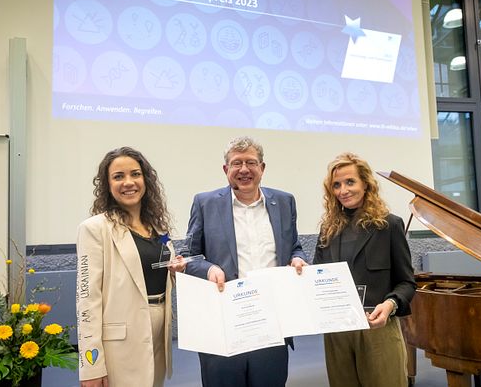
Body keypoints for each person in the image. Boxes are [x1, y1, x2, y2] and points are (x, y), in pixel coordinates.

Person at [185, 136, 308, 387]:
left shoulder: (284, 201)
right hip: (222, 326)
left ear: (262, 168)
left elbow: (294, 245)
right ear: (225, 169)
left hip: (272, 323)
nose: (244, 169)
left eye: (251, 162)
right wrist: (209, 269)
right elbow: (189, 257)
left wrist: (298, 258)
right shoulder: (205, 203)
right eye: (236, 163)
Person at [76, 147, 186, 387]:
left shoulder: (157, 228)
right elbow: (87, 300)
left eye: (135, 174)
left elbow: (151, 273)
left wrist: (176, 271)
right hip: (119, 343)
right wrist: (91, 366)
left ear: (146, 179)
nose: (129, 182)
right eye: (118, 176)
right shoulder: (95, 228)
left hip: (158, 336)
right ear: (107, 184)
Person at [313, 152, 416, 387]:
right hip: (337, 332)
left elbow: (407, 283)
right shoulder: (327, 230)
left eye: (350, 182)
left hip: (377, 329)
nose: (343, 190)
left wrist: (390, 305)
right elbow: (316, 279)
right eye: (336, 185)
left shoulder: (389, 225)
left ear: (366, 184)